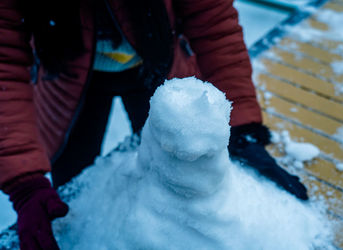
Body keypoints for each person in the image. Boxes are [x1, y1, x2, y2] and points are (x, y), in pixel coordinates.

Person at [0, 0, 308, 249]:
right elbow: (4, 62)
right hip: (65, 76)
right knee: (73, 179)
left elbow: (214, 24)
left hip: (158, 64)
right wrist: (24, 181)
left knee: (170, 163)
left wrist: (242, 127)